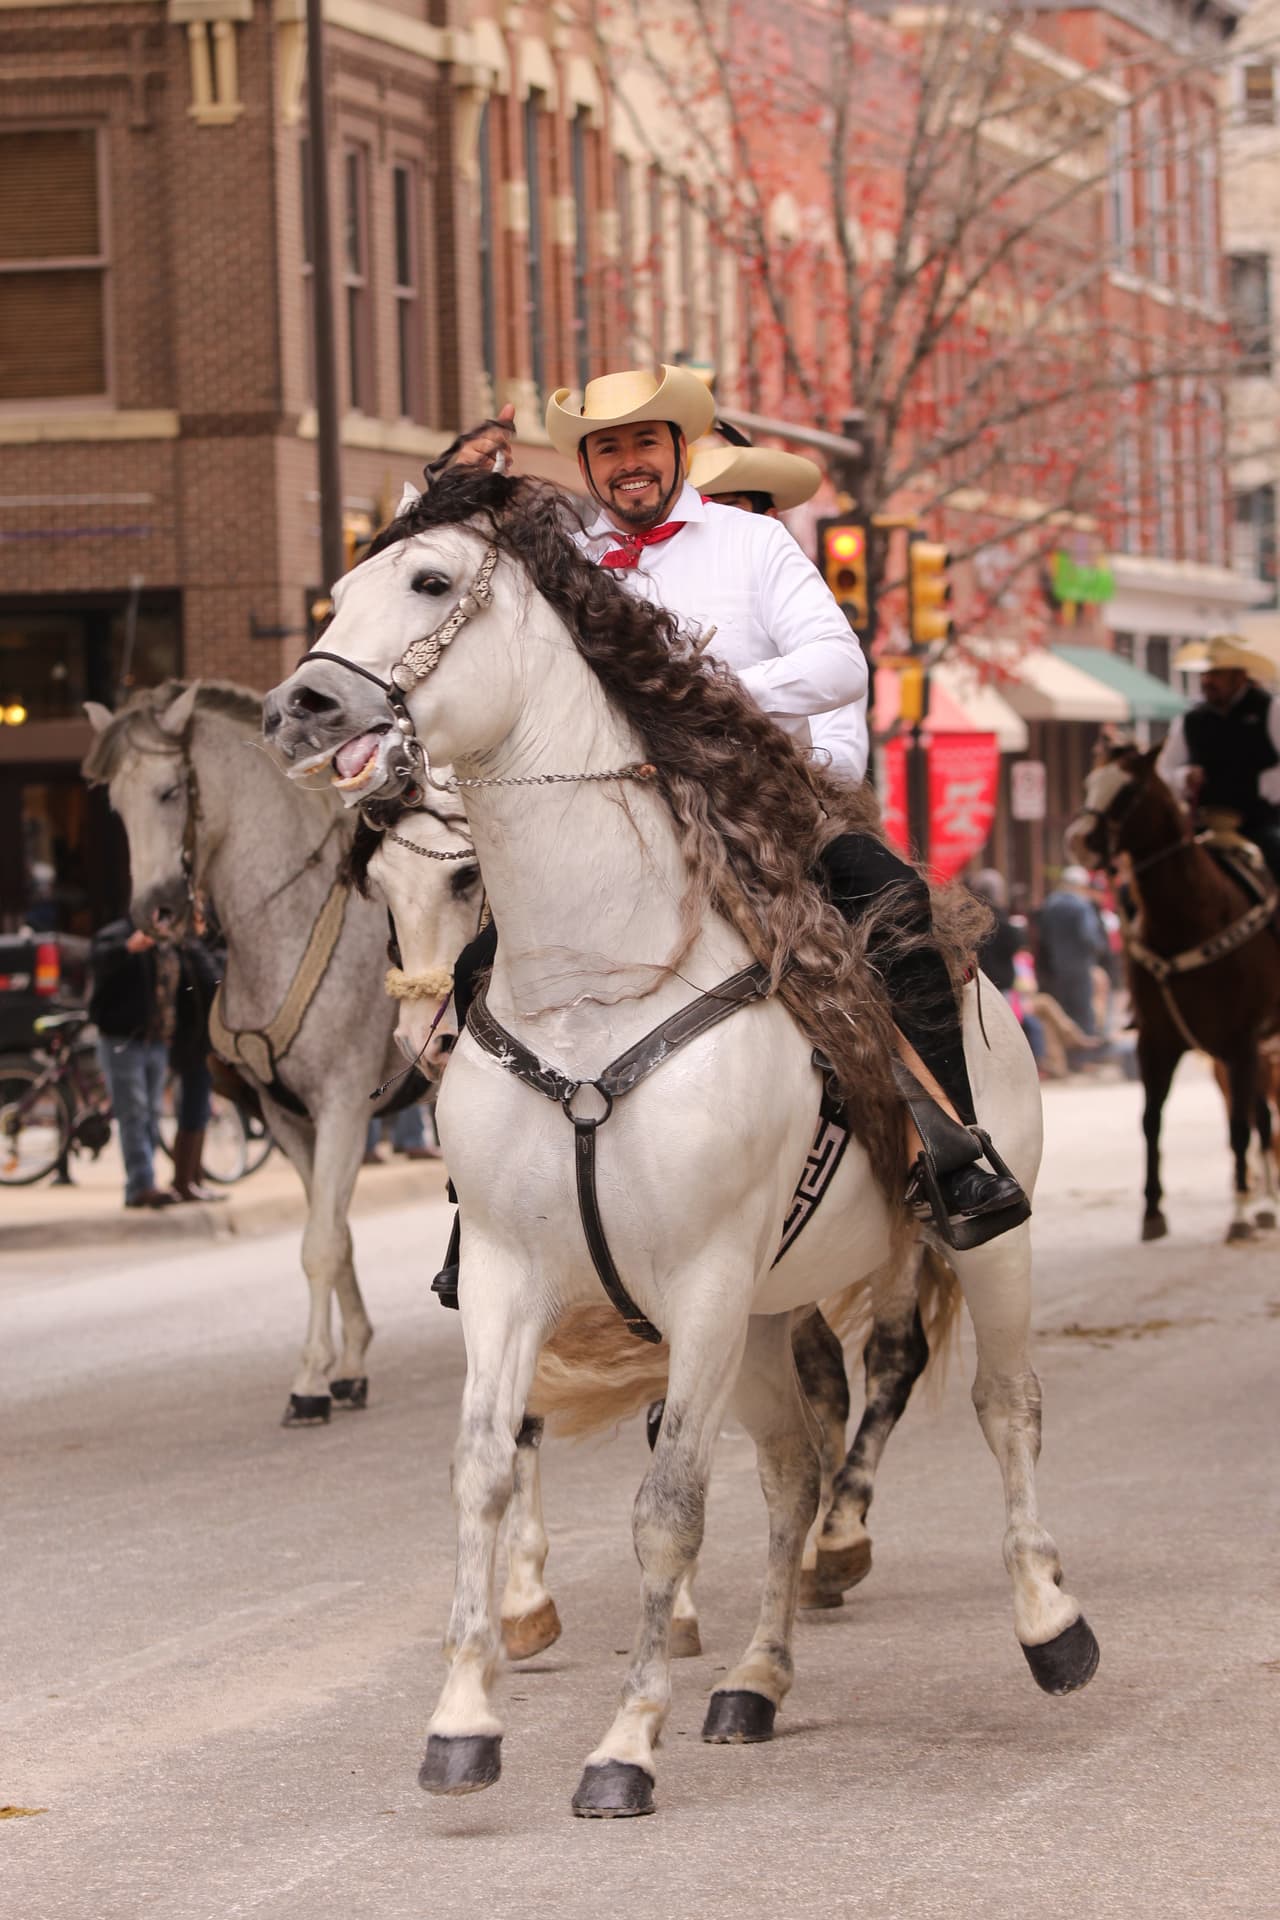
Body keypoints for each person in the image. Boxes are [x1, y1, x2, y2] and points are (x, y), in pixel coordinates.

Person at [427, 366, 1027, 1297]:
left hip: (758, 799)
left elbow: (838, 664)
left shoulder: (750, 543)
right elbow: (438, 573)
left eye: (644, 443)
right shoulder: (564, 554)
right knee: (479, 967)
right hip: (603, 819)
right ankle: (487, 1211)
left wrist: (721, 697)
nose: (628, 463)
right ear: (588, 462)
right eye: (607, 447)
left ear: (678, 450)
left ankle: (946, 1150)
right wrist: (455, 477)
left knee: (891, 901)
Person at [1157, 633, 1280, 884]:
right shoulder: (1190, 720)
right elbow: (1163, 771)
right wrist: (1183, 778)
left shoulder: (1270, 710)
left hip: (1257, 823)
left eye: (1216, 674)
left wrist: (1260, 785)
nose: (1207, 681)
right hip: (1204, 826)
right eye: (1205, 674)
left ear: (1239, 676)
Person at [1037, 867, 1108, 1043]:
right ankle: (1084, 1054)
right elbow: (1089, 936)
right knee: (1083, 1009)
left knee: (1064, 1009)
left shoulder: (1050, 904)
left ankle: (1068, 1050)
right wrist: (1099, 949)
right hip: (1081, 964)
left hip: (1057, 965)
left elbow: (1043, 936)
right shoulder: (1082, 906)